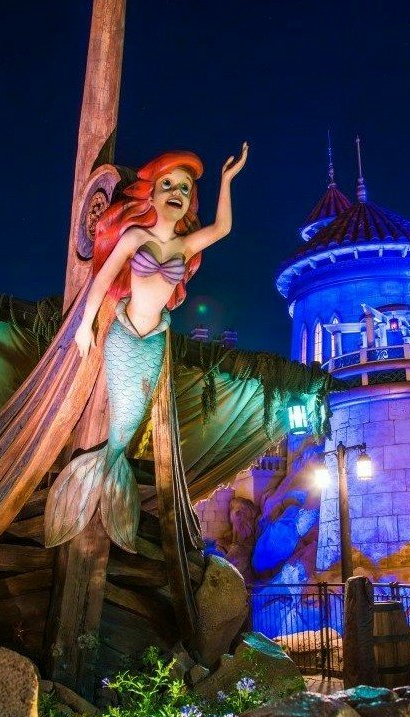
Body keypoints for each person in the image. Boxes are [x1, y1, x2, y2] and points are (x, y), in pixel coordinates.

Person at [44, 143, 248, 553]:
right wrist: (84, 325)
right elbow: (101, 280)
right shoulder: (135, 236)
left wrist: (227, 180)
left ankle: (111, 481)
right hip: (122, 335)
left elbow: (223, 229)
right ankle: (89, 486)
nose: (176, 192)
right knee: (116, 412)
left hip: (154, 343)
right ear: (150, 193)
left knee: (128, 423)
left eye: (185, 188)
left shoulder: (185, 246)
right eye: (167, 184)